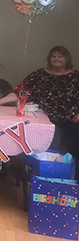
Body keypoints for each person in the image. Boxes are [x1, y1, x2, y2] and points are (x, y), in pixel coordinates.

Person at [21, 46, 79, 178]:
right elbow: (21, 91)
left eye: (60, 56)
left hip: (70, 123)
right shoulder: (39, 75)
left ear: (67, 59)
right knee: (43, 152)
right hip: (43, 122)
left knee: (74, 152)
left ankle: (73, 184)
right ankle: (38, 179)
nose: (56, 59)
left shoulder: (76, 76)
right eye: (54, 56)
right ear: (49, 59)